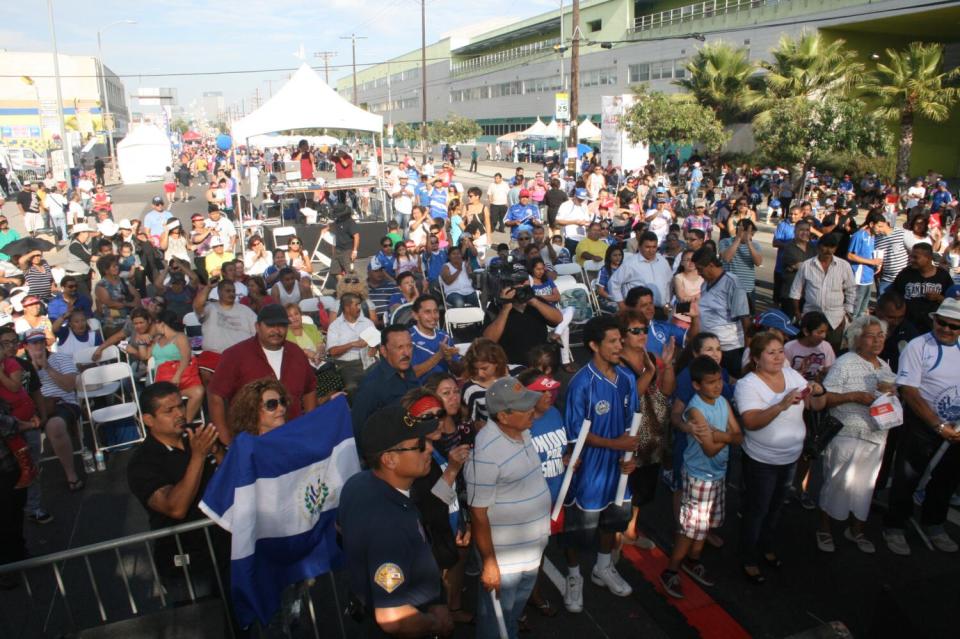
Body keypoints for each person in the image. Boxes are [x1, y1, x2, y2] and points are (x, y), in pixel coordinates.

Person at [339, 405, 453, 637]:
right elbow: (393, 618)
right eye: (420, 445)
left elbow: (340, 530)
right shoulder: (389, 525)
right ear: (389, 459)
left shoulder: (358, 483)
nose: (429, 449)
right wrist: (434, 623)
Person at [560, 316, 639, 613]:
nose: (620, 346)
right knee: (578, 530)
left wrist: (632, 456)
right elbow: (576, 434)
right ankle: (573, 575)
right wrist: (616, 445)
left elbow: (635, 424)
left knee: (613, 521)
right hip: (589, 472)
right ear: (594, 345)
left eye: (621, 340)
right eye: (613, 341)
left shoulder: (628, 379)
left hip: (619, 469)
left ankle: (603, 567)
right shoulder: (582, 383)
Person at [735, 332, 827, 583]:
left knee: (775, 508)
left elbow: (816, 406)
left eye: (779, 351)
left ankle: (766, 546)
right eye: (770, 352)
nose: (777, 357)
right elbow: (751, 422)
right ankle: (748, 556)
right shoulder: (748, 385)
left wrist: (818, 391)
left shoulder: (792, 375)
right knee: (757, 510)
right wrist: (780, 405)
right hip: (761, 461)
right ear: (756, 358)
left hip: (790, 458)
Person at [465, 377, 550, 639]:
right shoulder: (487, 453)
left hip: (530, 550)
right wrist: (490, 563)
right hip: (505, 559)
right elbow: (478, 513)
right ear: (503, 415)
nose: (531, 411)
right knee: (496, 621)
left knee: (511, 614)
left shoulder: (522, 430)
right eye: (524, 408)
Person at [126, 382, 225, 593]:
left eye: (181, 406)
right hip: (186, 562)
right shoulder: (142, 463)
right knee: (204, 620)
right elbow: (175, 508)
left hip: (224, 546)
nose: (179, 414)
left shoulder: (196, 438)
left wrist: (217, 451)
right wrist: (198, 457)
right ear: (148, 420)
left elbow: (235, 477)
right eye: (169, 411)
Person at [660, 356, 742, 599]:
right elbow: (710, 447)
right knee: (690, 528)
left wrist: (721, 435)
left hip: (716, 474)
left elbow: (739, 437)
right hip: (699, 476)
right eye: (711, 382)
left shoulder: (722, 403)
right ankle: (671, 570)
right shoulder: (695, 410)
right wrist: (726, 436)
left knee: (704, 525)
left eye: (719, 381)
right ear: (697, 385)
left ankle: (692, 560)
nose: (717, 386)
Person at [883, 297, 960, 555]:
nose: (947, 329)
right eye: (942, 323)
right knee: (907, 477)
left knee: (946, 479)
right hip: (923, 425)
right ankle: (895, 526)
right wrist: (937, 425)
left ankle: (934, 524)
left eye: (954, 326)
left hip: (956, 427)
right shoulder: (918, 347)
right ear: (934, 320)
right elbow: (910, 391)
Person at [817, 315, 893, 554]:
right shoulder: (845, 363)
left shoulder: (885, 366)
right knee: (837, 483)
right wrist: (855, 396)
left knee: (864, 487)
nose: (877, 340)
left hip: (876, 435)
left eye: (880, 335)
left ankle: (856, 530)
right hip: (846, 432)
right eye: (871, 335)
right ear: (857, 339)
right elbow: (825, 398)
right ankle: (824, 529)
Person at [207, 304, 317, 444]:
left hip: (293, 438)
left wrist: (310, 425)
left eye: (281, 326)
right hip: (251, 441)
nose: (276, 330)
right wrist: (225, 438)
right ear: (257, 326)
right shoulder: (235, 355)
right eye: (270, 325)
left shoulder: (297, 353)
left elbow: (310, 389)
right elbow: (215, 396)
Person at [617, 311, 676, 550]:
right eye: (636, 331)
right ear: (622, 336)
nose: (642, 335)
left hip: (653, 435)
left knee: (643, 491)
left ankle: (630, 531)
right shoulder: (618, 363)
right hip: (629, 437)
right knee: (624, 489)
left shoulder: (651, 356)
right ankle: (614, 540)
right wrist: (650, 373)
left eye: (644, 329)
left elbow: (667, 391)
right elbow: (630, 398)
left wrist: (668, 365)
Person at [22, 329, 83, 494]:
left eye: (41, 341)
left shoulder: (61, 358)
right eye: (34, 343)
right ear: (26, 346)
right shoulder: (22, 366)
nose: (39, 346)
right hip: (34, 407)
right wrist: (33, 370)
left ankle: (71, 474)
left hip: (62, 402)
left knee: (54, 426)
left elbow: (69, 386)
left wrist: (47, 368)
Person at [788, 233, 857, 355]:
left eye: (832, 247)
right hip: (811, 317)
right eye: (825, 246)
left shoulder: (843, 265)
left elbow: (851, 289)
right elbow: (795, 291)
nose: (828, 250)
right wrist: (798, 314)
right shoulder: (807, 265)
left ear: (835, 248)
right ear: (819, 247)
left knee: (832, 354)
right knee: (808, 352)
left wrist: (846, 313)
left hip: (835, 319)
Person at [691, 248, 751, 376]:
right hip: (709, 347)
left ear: (711, 265)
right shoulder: (704, 284)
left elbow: (745, 319)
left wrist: (748, 350)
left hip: (730, 348)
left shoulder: (732, 283)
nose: (698, 273)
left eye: (700, 269)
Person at [141, 311, 204, 424]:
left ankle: (185, 423)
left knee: (198, 391)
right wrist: (141, 342)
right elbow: (144, 356)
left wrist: (177, 375)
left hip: (179, 378)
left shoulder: (180, 337)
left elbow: (186, 358)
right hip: (161, 380)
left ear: (161, 324)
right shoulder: (157, 339)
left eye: (155, 324)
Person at [482, 281, 562, 365]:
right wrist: (505, 309)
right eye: (517, 285)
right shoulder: (496, 306)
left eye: (524, 284)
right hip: (511, 365)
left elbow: (558, 319)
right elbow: (488, 340)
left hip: (539, 363)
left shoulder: (535, 300)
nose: (521, 287)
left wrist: (535, 302)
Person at [193, 279, 257, 380]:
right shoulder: (210, 308)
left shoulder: (245, 310)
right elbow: (197, 305)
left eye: (233, 291)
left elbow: (258, 332)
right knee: (205, 371)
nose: (231, 294)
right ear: (219, 292)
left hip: (241, 356)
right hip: (214, 355)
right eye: (227, 291)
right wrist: (208, 288)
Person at [891, 243, 953, 333]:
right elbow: (894, 297)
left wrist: (938, 298)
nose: (911, 260)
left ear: (928, 258)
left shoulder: (943, 276)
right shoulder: (905, 274)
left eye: (916, 257)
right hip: (908, 326)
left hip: (933, 327)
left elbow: (953, 302)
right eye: (911, 256)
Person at [326, 293, 378, 396]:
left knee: (382, 379)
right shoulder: (335, 326)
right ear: (347, 307)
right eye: (357, 305)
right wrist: (352, 344)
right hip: (346, 365)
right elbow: (332, 352)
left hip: (368, 362)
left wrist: (374, 347)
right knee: (352, 387)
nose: (360, 307)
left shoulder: (367, 322)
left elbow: (376, 341)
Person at [607, 231, 674, 311]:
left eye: (654, 247)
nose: (651, 250)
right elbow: (613, 283)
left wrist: (668, 303)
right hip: (638, 311)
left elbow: (669, 283)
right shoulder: (630, 263)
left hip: (661, 310)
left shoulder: (663, 261)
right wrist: (622, 306)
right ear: (639, 247)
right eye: (647, 247)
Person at [846, 210, 890, 318]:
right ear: (871, 224)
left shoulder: (873, 237)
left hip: (868, 277)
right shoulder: (859, 235)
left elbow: (869, 255)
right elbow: (850, 255)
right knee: (854, 310)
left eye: (882, 227)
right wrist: (871, 262)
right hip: (858, 278)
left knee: (863, 309)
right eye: (879, 226)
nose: (880, 230)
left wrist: (876, 265)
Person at [409, 295, 463, 381]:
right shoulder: (408, 338)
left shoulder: (444, 336)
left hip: (445, 389)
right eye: (427, 312)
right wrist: (439, 355)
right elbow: (410, 375)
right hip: (421, 391)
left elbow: (459, 372)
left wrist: (449, 360)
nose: (433, 316)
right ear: (415, 315)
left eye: (436, 311)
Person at [461, 339, 509, 428]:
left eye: (484, 368)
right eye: (476, 369)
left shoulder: (518, 372)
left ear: (497, 362)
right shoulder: (470, 389)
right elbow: (470, 424)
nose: (480, 374)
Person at [718, 219, 763, 314]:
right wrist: (738, 239)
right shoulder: (725, 242)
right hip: (728, 287)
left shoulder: (755, 245)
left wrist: (749, 243)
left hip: (747, 288)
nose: (751, 236)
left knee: (747, 317)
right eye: (749, 233)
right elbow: (726, 258)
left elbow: (758, 262)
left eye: (752, 234)